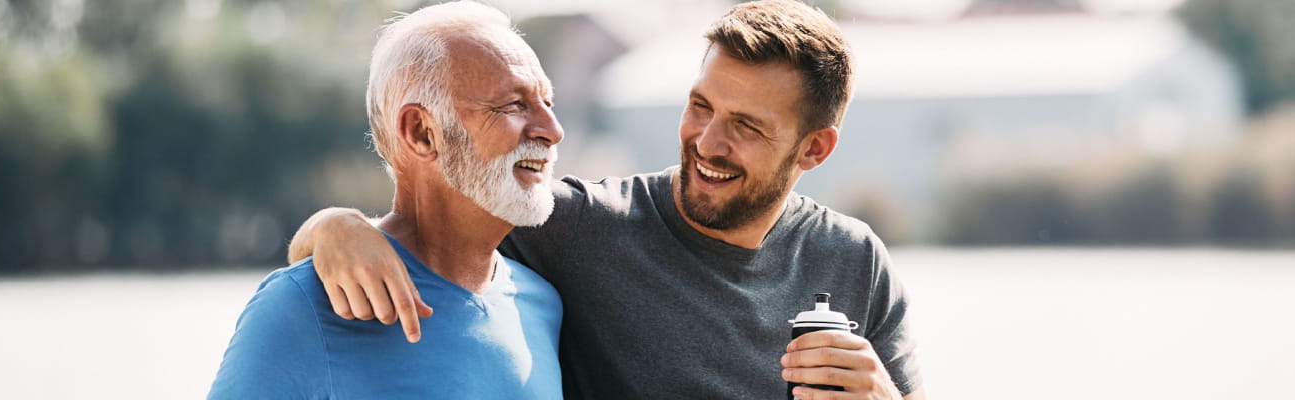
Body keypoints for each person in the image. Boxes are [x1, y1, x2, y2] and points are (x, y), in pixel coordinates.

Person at [287, 1, 924, 398]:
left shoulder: (855, 261)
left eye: (747, 127)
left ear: (814, 149)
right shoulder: (577, 227)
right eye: (700, 106)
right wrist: (333, 225)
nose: (708, 141)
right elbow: (418, 230)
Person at [208, 2, 568, 398]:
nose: (553, 130)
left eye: (547, 102)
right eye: (514, 105)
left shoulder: (543, 304)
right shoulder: (302, 306)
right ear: (421, 133)